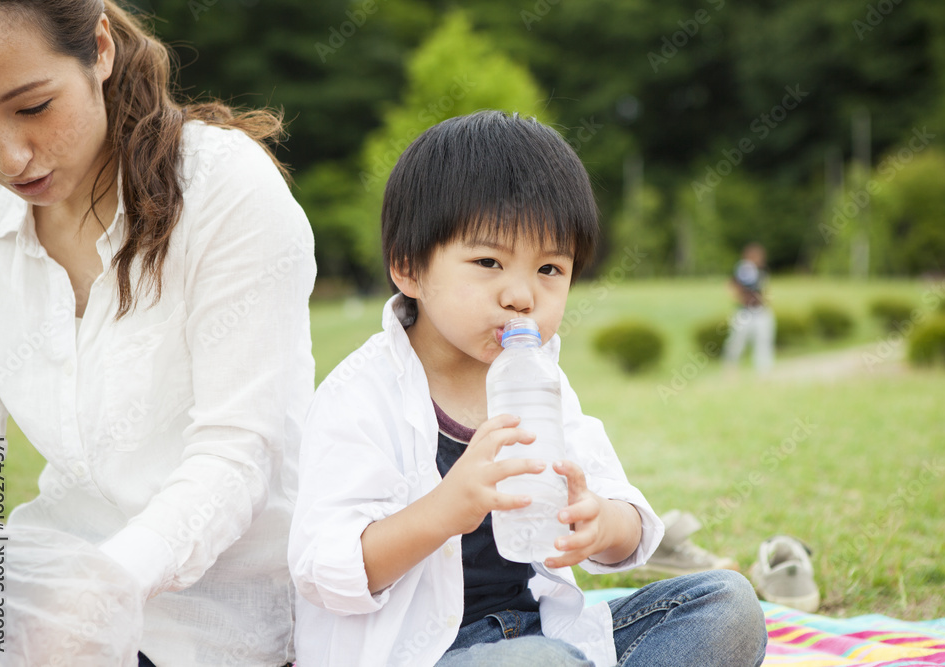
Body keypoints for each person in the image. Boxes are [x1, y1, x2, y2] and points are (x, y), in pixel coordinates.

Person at [288, 111, 766, 667]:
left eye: (549, 269)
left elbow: (627, 517)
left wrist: (600, 521)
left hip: (541, 632)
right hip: (422, 654)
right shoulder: (361, 396)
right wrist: (446, 509)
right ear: (408, 268)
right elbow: (325, 569)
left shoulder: (542, 381)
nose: (522, 296)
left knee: (726, 607)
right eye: (489, 261)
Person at [0, 1, 314, 665]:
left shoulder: (225, 192)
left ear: (99, 48)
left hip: (213, 621)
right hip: (50, 587)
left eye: (34, 107)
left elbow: (236, 452)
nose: (10, 158)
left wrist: (104, 590)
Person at [722, 242, 775, 374]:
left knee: (763, 342)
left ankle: (764, 373)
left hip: (760, 311)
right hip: (744, 312)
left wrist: (765, 299)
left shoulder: (761, 270)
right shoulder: (743, 269)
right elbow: (731, 285)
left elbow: (763, 288)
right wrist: (740, 298)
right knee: (736, 343)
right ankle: (730, 370)